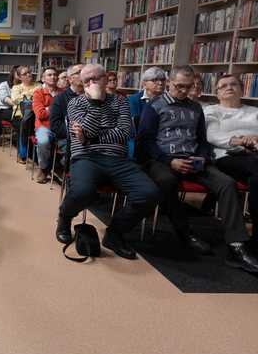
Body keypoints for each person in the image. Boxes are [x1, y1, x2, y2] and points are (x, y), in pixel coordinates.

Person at [137, 66, 258, 273]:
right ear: (169, 83)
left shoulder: (195, 108)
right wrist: (169, 161)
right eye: (179, 86)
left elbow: (202, 140)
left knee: (226, 184)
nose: (183, 91)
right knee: (167, 181)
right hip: (163, 159)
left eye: (188, 87)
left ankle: (236, 246)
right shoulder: (155, 106)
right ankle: (185, 233)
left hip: (193, 159)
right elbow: (145, 141)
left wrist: (201, 157)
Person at [56, 64, 159, 260]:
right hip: (85, 157)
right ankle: (65, 216)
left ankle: (115, 233)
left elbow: (124, 133)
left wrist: (90, 137)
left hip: (117, 158)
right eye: (87, 81)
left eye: (96, 78)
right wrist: (95, 103)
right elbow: (80, 137)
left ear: (106, 79)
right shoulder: (75, 103)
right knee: (83, 192)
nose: (91, 83)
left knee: (149, 193)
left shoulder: (120, 102)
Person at [204, 74, 258, 249]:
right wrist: (241, 140)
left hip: (255, 154)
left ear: (242, 90)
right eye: (223, 86)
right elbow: (212, 136)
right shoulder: (212, 110)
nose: (229, 87)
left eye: (234, 84)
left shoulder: (254, 111)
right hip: (227, 156)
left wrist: (254, 138)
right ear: (217, 93)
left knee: (256, 179)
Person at [32, 67, 61, 183]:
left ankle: (61, 168)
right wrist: (55, 108)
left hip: (60, 126)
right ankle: (43, 168)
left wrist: (49, 108)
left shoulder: (62, 92)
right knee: (43, 141)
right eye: (49, 75)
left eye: (54, 74)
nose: (53, 77)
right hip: (43, 126)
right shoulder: (38, 92)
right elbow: (41, 114)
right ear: (43, 78)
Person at [10, 65, 39, 164]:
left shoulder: (38, 85)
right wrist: (32, 95)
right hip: (19, 115)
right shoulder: (16, 87)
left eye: (29, 72)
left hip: (35, 115)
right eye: (25, 73)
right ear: (19, 77)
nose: (29, 74)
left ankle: (24, 153)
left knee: (27, 122)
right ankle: (26, 153)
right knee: (24, 123)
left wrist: (25, 96)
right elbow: (15, 99)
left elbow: (38, 98)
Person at [50, 64, 84, 142]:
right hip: (68, 138)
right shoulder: (60, 98)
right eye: (79, 72)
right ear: (70, 79)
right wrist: (76, 132)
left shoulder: (92, 96)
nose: (84, 74)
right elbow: (55, 126)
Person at [0, 65, 20, 141]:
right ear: (13, 74)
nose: (21, 74)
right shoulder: (4, 85)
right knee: (19, 119)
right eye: (18, 72)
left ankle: (19, 139)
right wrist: (18, 104)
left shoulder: (23, 85)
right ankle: (18, 140)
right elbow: (6, 99)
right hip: (5, 110)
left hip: (19, 109)